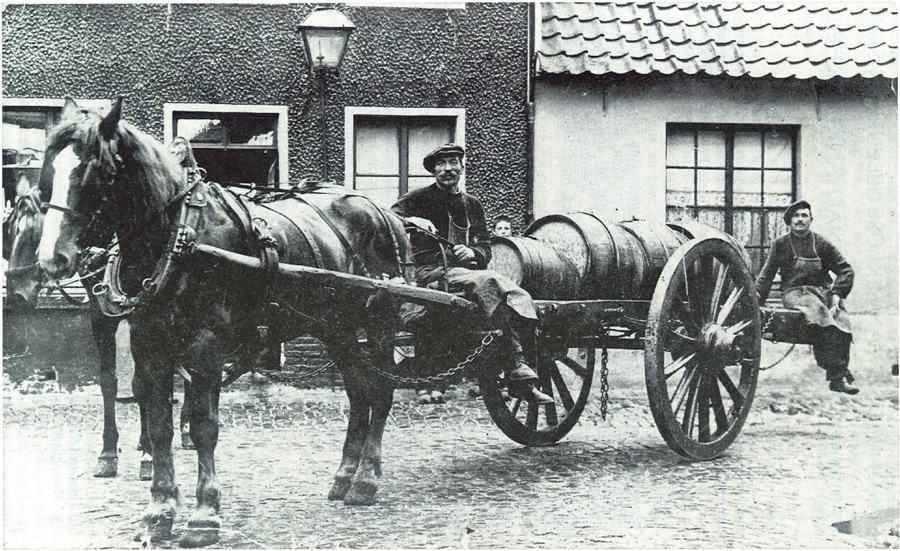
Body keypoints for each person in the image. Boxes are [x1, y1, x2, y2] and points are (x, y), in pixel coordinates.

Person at [392, 143, 552, 404]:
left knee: (489, 283)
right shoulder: (418, 198)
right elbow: (386, 218)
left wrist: (473, 253)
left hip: (465, 274)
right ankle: (517, 365)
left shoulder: (472, 205)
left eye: (453, 163)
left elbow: (485, 249)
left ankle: (513, 370)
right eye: (441, 165)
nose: (447, 169)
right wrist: (412, 221)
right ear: (433, 171)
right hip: (430, 273)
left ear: (461, 168)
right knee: (492, 281)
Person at [756, 200, 858, 394]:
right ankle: (836, 370)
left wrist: (837, 294)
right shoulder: (780, 245)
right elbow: (767, 275)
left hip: (822, 292)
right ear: (789, 220)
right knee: (820, 314)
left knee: (842, 322)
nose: (800, 220)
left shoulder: (822, 243)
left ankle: (838, 378)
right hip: (796, 292)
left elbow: (846, 270)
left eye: (804, 216)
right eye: (796, 216)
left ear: (811, 219)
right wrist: (755, 299)